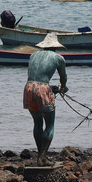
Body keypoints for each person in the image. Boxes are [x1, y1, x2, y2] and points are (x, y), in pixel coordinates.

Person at [23, 33, 68, 163]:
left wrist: (50, 87)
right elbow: (63, 78)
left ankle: (40, 156)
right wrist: (62, 87)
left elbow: (37, 78)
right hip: (43, 89)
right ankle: (42, 157)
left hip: (28, 88)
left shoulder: (33, 56)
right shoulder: (58, 58)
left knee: (37, 123)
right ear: (55, 47)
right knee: (50, 125)